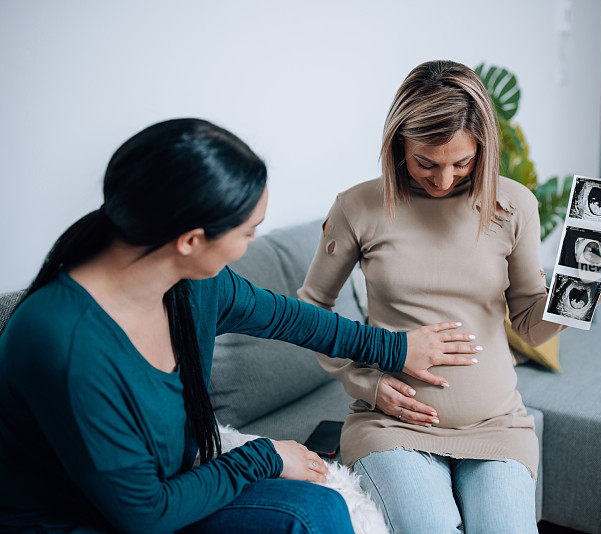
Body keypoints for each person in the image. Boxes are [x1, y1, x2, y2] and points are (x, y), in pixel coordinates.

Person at [0, 118, 481, 533]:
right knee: (309, 519)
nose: (252, 245)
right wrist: (264, 456)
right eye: (248, 232)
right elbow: (143, 516)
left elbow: (288, 317)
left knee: (319, 508)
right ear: (190, 240)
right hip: (91, 518)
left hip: (168, 484)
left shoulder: (191, 283)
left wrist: (394, 348)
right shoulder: (61, 342)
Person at [297, 60, 601, 533]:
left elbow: (529, 326)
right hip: (393, 427)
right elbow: (309, 309)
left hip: (496, 424)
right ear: (399, 145)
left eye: (462, 162)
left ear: (484, 148)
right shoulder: (358, 207)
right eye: (426, 163)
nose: (443, 180)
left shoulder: (513, 205)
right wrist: (365, 384)